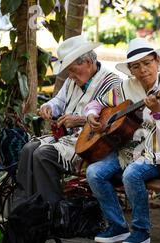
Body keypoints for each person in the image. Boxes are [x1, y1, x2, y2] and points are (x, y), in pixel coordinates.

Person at [84, 38, 160, 243]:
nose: (143, 70)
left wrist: (158, 112)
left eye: (147, 63)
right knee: (94, 172)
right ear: (131, 70)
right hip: (127, 150)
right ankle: (117, 226)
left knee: (132, 174)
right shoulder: (125, 87)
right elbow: (97, 103)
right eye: (136, 66)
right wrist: (91, 115)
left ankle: (141, 231)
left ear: (157, 62)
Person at [16, 35, 119, 207]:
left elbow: (112, 120)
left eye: (72, 70)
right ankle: (29, 206)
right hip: (67, 139)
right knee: (29, 148)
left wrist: (80, 120)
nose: (70, 76)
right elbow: (59, 101)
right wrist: (48, 106)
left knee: (43, 155)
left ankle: (54, 211)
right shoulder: (73, 81)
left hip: (92, 143)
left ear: (87, 62)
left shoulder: (112, 82)